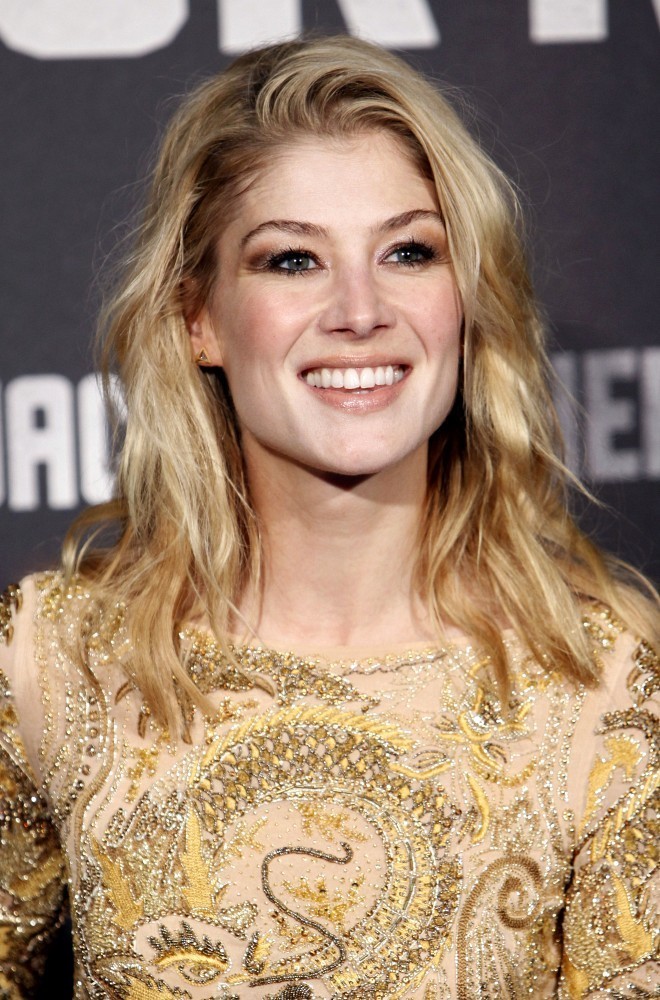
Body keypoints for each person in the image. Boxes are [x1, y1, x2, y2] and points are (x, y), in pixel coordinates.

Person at [0, 35, 657, 1000]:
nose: (360, 309)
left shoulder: (601, 690)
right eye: (294, 259)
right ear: (199, 317)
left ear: (466, 300)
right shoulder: (51, 663)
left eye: (408, 252)